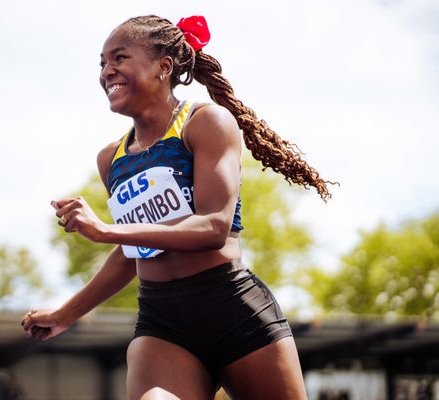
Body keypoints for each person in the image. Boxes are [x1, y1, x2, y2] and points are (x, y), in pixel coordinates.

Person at [22, 15, 334, 400]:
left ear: (163, 67)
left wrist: (105, 230)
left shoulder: (205, 123)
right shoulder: (111, 159)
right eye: (101, 63)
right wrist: (63, 315)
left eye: (119, 58)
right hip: (162, 322)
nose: (107, 72)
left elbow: (213, 228)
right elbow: (132, 253)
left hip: (233, 311)